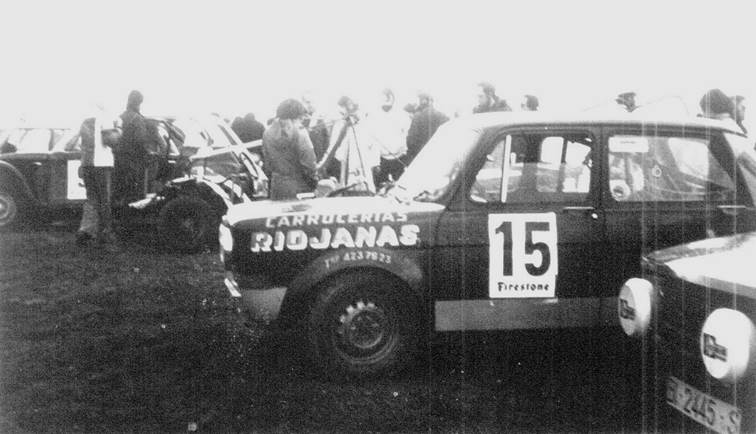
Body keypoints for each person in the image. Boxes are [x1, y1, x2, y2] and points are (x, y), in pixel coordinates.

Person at [75, 106, 121, 248]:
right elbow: (110, 140)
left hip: (87, 163)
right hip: (101, 164)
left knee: (91, 199)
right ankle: (105, 234)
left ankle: (86, 231)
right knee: (104, 200)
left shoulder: (86, 117)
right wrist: (119, 129)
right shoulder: (106, 116)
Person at [262, 99, 318, 200]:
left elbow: (267, 163)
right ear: (296, 116)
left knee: (278, 215)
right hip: (300, 186)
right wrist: (314, 182)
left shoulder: (267, 133)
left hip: (277, 186)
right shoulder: (300, 132)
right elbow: (309, 163)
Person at [327, 96, 380, 193]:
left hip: (365, 166)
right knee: (347, 190)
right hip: (346, 167)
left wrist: (374, 164)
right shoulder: (339, 125)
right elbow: (335, 149)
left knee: (366, 189)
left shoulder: (367, 123)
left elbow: (374, 146)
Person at [366, 89, 410, 185]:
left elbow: (406, 134)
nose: (387, 102)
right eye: (384, 98)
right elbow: (370, 140)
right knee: (380, 186)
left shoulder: (402, 115)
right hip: (381, 158)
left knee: (400, 185)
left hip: (398, 157)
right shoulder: (373, 116)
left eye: (389, 98)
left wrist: (404, 153)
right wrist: (374, 162)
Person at [114, 90, 149, 208]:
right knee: (133, 197)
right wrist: (147, 154)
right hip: (133, 161)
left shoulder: (120, 117)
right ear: (139, 103)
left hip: (117, 160)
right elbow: (141, 140)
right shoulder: (138, 119)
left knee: (119, 193)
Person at [405, 92, 449, 165]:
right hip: (437, 154)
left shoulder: (417, 116)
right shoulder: (441, 115)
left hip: (420, 155)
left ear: (422, 101)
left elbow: (411, 141)